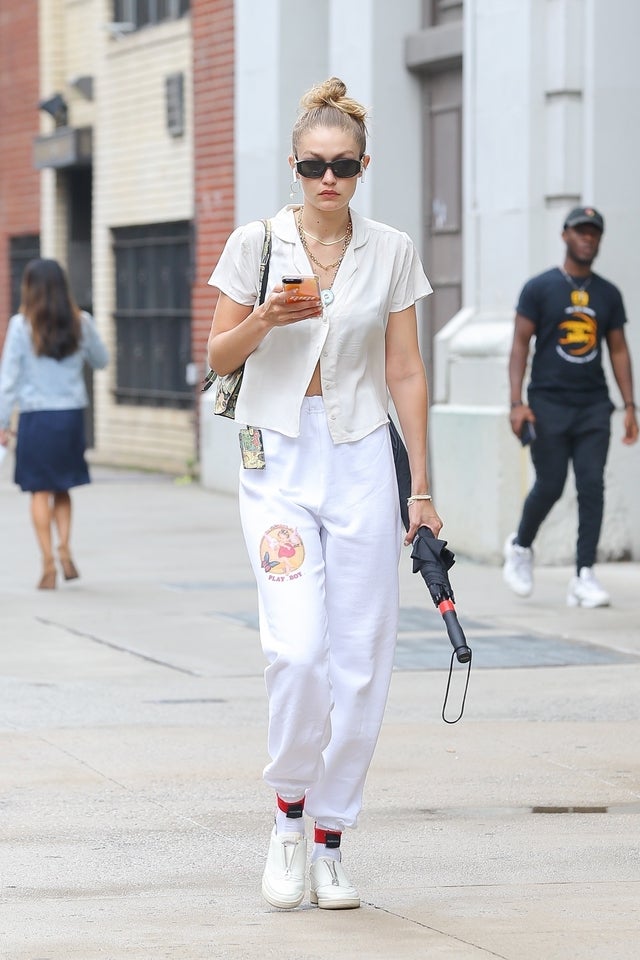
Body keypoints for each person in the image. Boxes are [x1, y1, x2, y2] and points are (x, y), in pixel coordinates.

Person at [207, 77, 441, 910]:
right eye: (313, 165)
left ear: (363, 166)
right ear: (295, 167)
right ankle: (287, 818)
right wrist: (267, 319)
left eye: (342, 166)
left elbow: (407, 370)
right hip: (276, 462)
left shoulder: (392, 250)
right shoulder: (256, 244)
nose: (327, 179)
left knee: (363, 660)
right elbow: (216, 358)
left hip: (361, 461)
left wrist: (421, 490)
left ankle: (333, 839)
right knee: (298, 652)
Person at [503, 206, 638, 607]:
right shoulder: (540, 288)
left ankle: (584, 575)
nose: (587, 238)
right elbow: (518, 346)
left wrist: (630, 404)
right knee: (550, 484)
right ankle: (522, 546)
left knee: (591, 485)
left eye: (594, 233)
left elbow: (618, 349)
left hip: (594, 405)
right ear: (565, 236)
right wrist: (516, 403)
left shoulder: (608, 293)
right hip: (547, 402)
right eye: (580, 231)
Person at [0, 258, 109, 590]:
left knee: (39, 490)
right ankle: (64, 548)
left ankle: (47, 561)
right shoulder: (81, 322)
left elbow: (9, 379)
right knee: (63, 486)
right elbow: (101, 360)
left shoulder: (21, 325)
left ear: (29, 288)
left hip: (35, 416)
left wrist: (3, 421)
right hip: (70, 415)